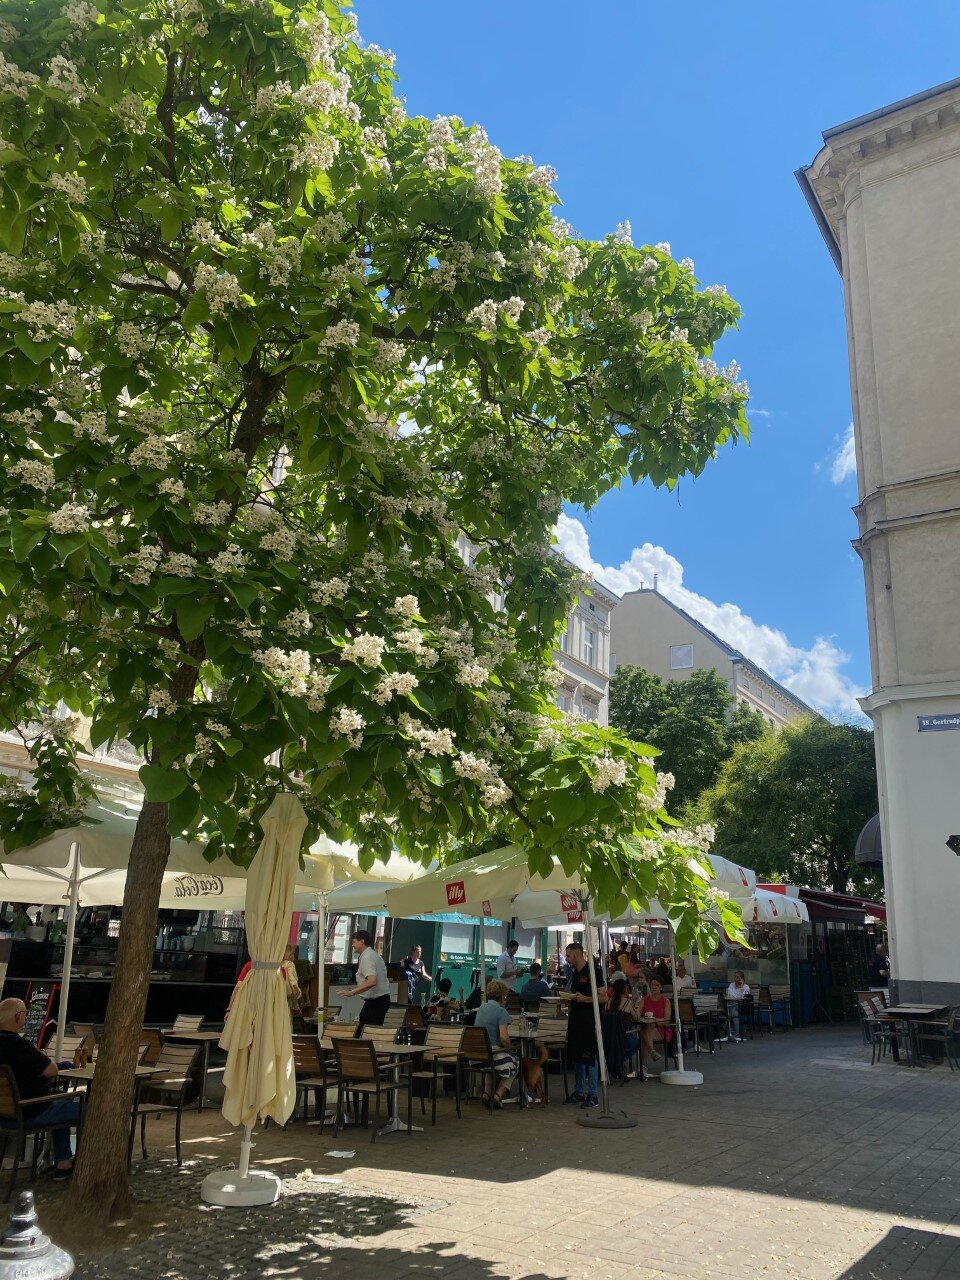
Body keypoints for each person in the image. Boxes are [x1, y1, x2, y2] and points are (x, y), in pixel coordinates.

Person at [0, 999, 79, 1179]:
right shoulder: (19, 1045)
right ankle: (77, 1163)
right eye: (25, 1015)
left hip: (5, 1116)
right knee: (84, 1106)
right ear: (17, 1017)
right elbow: (51, 1070)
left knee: (60, 1100)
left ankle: (63, 1163)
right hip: (30, 1113)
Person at [563, 940, 605, 1109]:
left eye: (567, 955)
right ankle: (579, 1092)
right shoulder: (574, 972)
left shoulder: (593, 971)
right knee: (578, 1056)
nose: (566, 959)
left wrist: (585, 999)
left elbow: (603, 997)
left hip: (589, 1019)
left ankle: (593, 1094)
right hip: (575, 1019)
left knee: (589, 1055)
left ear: (577, 954)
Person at [474, 980, 519, 1107]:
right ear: (501, 996)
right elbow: (504, 1038)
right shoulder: (501, 1012)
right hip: (492, 1055)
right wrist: (510, 1049)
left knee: (490, 1068)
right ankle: (498, 1095)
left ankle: (486, 1094)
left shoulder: (481, 1008)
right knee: (515, 1062)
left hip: (477, 1057)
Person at [336, 930, 391, 1030]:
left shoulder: (367, 957)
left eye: (354, 942)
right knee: (368, 1029)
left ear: (362, 941)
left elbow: (371, 980)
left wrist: (352, 992)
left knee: (365, 1031)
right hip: (380, 999)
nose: (352, 945)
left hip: (376, 1001)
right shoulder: (372, 955)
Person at [639, 976, 673, 1077]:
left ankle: (644, 1066)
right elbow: (638, 1013)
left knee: (643, 1035)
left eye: (657, 985)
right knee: (646, 1029)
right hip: (648, 1028)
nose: (654, 987)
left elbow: (667, 1019)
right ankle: (652, 1052)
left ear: (661, 987)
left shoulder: (665, 1001)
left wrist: (655, 1021)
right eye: (652, 985)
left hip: (662, 1029)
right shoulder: (645, 999)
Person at [607, 972, 641, 1064]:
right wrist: (635, 1002)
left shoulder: (608, 1001)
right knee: (640, 1042)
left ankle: (618, 1060)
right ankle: (620, 1059)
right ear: (625, 989)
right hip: (623, 1036)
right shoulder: (627, 1002)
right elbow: (637, 1018)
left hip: (609, 1036)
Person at [725, 970, 751, 1041]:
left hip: (742, 1006)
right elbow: (729, 995)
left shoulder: (746, 987)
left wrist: (741, 987)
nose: (735, 979)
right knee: (735, 1013)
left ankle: (725, 1024)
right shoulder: (731, 985)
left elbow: (744, 997)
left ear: (741, 978)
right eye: (735, 977)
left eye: (737, 977)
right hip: (732, 1004)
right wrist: (737, 995)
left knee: (732, 1008)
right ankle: (736, 1034)